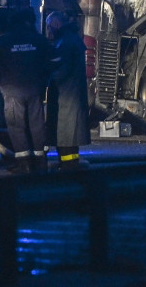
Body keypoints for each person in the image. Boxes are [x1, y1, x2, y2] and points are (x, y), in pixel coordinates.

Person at [0, 8, 52, 173]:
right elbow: (50, 63)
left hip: (11, 90)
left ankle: (23, 162)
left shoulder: (2, 41)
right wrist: (42, 83)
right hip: (34, 89)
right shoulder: (39, 40)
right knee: (37, 125)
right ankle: (40, 161)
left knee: (16, 126)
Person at [45, 11, 90, 170]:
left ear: (56, 24)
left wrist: (45, 77)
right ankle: (70, 163)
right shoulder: (70, 39)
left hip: (65, 97)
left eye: (50, 27)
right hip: (71, 95)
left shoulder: (64, 42)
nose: (49, 31)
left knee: (65, 134)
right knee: (69, 135)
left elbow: (61, 70)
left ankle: (68, 165)